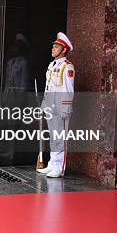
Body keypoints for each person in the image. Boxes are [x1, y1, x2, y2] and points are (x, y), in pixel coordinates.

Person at [37, 32, 74, 178]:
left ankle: (60, 167)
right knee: (53, 136)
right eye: (53, 46)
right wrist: (44, 104)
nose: (53, 48)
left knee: (60, 137)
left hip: (61, 106)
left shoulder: (67, 67)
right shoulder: (51, 65)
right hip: (51, 105)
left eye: (56, 46)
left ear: (64, 49)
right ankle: (52, 164)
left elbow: (68, 88)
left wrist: (66, 107)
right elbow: (48, 86)